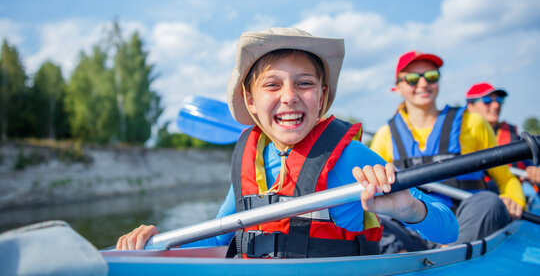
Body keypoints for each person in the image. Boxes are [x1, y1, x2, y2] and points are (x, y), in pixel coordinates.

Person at [116, 28, 458, 257]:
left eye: (304, 84)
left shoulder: (350, 157)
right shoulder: (251, 161)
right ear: (250, 102)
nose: (290, 97)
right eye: (272, 85)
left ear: (322, 97)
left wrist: (408, 209)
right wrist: (159, 242)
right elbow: (217, 237)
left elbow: (449, 230)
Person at [370, 51, 526, 248]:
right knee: (371, 215)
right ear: (398, 87)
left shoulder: (473, 122)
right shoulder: (385, 136)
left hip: (465, 223)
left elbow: (506, 178)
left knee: (489, 201)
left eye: (431, 76)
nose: (423, 84)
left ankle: (451, 253)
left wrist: (513, 198)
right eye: (412, 79)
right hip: (412, 231)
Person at [466, 82, 540, 184]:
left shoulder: (514, 137)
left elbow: (530, 166)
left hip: (514, 192)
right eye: (487, 100)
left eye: (499, 100)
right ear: (471, 106)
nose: (496, 105)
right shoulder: (460, 139)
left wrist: (533, 171)